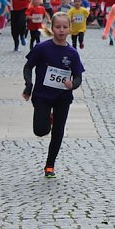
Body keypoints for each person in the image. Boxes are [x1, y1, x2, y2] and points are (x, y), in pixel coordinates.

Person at [22, 12, 85, 178]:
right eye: (58, 27)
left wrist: (73, 85)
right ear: (52, 28)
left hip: (62, 98)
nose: (61, 30)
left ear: (70, 29)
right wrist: (29, 85)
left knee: (58, 131)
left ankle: (50, 165)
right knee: (40, 131)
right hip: (42, 95)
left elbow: (78, 76)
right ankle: (46, 119)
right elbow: (28, 67)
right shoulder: (42, 48)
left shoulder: (72, 53)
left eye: (65, 27)